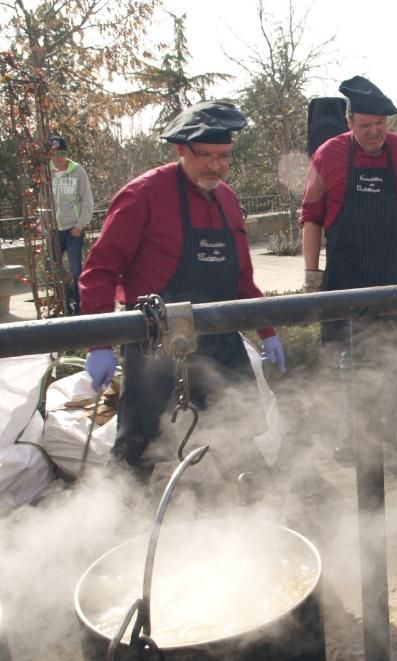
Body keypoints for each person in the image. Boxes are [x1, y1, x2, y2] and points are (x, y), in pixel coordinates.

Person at [79, 101, 286, 481]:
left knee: (241, 436)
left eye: (224, 156)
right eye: (205, 156)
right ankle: (115, 523)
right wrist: (99, 344)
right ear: (181, 150)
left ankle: (259, 517)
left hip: (220, 340)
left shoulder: (227, 199)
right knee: (136, 447)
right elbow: (99, 270)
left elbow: (242, 279)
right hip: (157, 346)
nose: (216, 166)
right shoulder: (143, 194)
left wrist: (268, 331)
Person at [300, 76, 397, 463]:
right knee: (351, 358)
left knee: (394, 355)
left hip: (395, 272)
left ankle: (393, 428)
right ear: (349, 122)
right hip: (346, 275)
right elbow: (311, 217)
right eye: (365, 125)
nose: (374, 131)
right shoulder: (327, 156)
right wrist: (312, 275)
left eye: (380, 123)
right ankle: (357, 433)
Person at [48, 134, 94, 314]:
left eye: (61, 153)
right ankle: (61, 303)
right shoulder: (47, 173)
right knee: (51, 268)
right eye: (54, 154)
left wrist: (80, 224)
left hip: (73, 229)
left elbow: (87, 199)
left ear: (66, 153)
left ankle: (81, 307)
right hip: (54, 230)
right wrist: (43, 223)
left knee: (76, 270)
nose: (57, 158)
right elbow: (44, 199)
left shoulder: (77, 171)